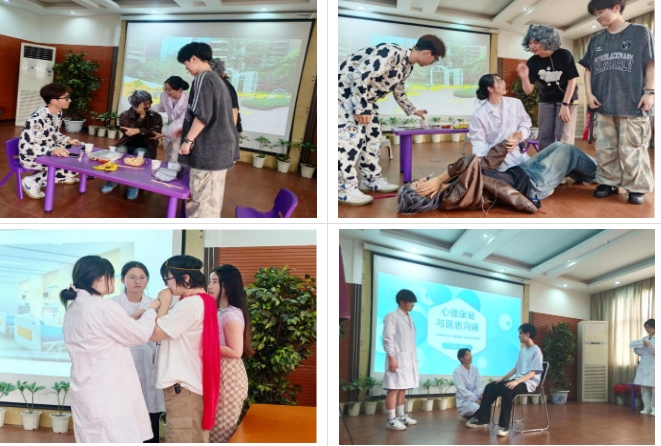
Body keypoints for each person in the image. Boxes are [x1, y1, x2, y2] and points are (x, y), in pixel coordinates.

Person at [396, 74, 597, 214]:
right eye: (419, 185)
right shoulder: (452, 197)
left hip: (521, 168)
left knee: (560, 147)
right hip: (527, 181)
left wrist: (519, 136)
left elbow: (525, 125)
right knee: (568, 150)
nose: (422, 179)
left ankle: (588, 175)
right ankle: (601, 175)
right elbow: (476, 158)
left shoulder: (453, 188)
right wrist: (440, 179)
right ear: (426, 195)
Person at [61, 255, 161, 442]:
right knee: (115, 436)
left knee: (93, 437)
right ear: (98, 278)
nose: (113, 281)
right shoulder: (102, 306)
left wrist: (133, 318)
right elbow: (139, 336)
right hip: (107, 389)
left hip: (86, 387)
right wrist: (151, 312)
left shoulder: (74, 308)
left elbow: (102, 335)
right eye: (110, 276)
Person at [338, 35, 446, 206]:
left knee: (373, 139)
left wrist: (412, 110)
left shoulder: (407, 67)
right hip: (344, 97)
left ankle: (371, 179)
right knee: (350, 142)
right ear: (427, 53)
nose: (433, 63)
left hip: (365, 101)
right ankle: (343, 189)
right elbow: (360, 76)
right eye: (435, 58)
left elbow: (398, 91)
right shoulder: (390, 52)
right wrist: (361, 108)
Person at [579, 0, 654, 205]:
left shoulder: (640, 32)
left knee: (632, 149)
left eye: (600, 12)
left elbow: (651, 64)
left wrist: (650, 92)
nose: (597, 17)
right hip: (603, 104)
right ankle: (608, 182)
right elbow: (588, 69)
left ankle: (636, 187)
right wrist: (588, 93)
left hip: (633, 104)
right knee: (605, 148)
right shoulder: (596, 40)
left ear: (616, 7)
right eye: (594, 14)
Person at [151, 255, 220, 443]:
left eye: (168, 279)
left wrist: (164, 303)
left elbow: (155, 333)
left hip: (184, 387)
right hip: (191, 385)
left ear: (186, 278)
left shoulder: (189, 304)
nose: (167, 285)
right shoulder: (202, 301)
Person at [177, 42, 239, 218]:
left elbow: (202, 116)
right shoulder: (218, 80)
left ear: (193, 59)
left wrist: (188, 141)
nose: (186, 69)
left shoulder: (203, 78)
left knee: (201, 204)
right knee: (211, 200)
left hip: (209, 152)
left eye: (185, 64)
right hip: (218, 152)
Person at [110, 261, 165, 443]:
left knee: (150, 414)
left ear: (147, 280)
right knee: (125, 416)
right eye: (132, 277)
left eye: (142, 277)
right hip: (122, 366)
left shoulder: (155, 304)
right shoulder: (112, 305)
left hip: (150, 364)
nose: (137, 281)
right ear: (122, 280)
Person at [466, 323, 543, 437]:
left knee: (508, 389)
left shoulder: (536, 351)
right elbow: (515, 369)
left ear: (527, 334)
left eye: (520, 333)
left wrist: (517, 381)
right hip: (517, 380)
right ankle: (483, 420)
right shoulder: (522, 351)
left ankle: (504, 426)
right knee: (490, 387)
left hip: (527, 383)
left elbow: (532, 373)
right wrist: (502, 379)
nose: (518, 336)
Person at [207, 265, 254, 442]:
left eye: (215, 281)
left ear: (227, 285)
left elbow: (235, 351)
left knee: (221, 432)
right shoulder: (218, 311)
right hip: (217, 373)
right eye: (209, 281)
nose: (209, 286)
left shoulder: (231, 314)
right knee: (212, 430)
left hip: (228, 377)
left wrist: (202, 344)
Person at [517, 24, 580, 151]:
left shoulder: (564, 54)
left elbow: (572, 80)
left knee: (564, 136)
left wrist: (565, 105)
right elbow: (528, 90)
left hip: (567, 99)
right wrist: (524, 77)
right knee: (544, 136)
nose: (532, 46)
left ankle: (565, 162)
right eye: (530, 43)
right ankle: (545, 161)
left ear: (547, 41)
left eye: (536, 42)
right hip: (546, 100)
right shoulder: (532, 61)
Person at [18, 83, 81, 199]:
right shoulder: (36, 120)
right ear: (53, 101)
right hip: (33, 157)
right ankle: (32, 181)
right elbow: (27, 148)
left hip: (49, 150)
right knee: (72, 165)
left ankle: (61, 175)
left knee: (80, 154)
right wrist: (52, 151)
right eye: (66, 98)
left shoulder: (57, 113)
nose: (70, 100)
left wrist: (68, 140)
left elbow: (55, 134)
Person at [102, 90, 163, 200]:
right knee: (119, 152)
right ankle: (112, 181)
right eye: (144, 104)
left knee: (139, 153)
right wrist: (142, 120)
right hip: (126, 144)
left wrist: (139, 128)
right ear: (135, 104)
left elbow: (155, 133)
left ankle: (133, 186)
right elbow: (128, 132)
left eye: (149, 103)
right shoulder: (125, 115)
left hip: (146, 147)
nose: (148, 106)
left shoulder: (156, 116)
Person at [382, 289, 419, 431]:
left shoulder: (409, 318)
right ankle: (391, 420)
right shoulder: (392, 316)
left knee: (402, 388)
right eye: (411, 302)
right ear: (402, 302)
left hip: (408, 360)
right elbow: (388, 338)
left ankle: (401, 416)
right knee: (393, 389)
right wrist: (391, 358)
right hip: (397, 359)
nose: (413, 305)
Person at [151, 76, 190, 163]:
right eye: (165, 89)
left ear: (179, 89)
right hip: (170, 127)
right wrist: (149, 109)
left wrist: (163, 134)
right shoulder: (164, 95)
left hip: (180, 130)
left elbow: (180, 122)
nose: (167, 92)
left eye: (169, 89)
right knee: (168, 153)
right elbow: (162, 106)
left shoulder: (188, 101)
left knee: (174, 156)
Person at [453, 348, 484, 420]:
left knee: (484, 406)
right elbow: (461, 389)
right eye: (467, 355)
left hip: (476, 396)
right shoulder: (457, 371)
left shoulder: (475, 369)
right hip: (464, 399)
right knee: (476, 407)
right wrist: (475, 399)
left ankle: (477, 418)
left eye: (470, 355)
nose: (470, 357)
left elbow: (478, 384)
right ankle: (466, 416)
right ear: (461, 358)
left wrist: (481, 395)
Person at [633, 318, 655, 416]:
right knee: (644, 387)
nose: (648, 329)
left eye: (649, 327)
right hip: (644, 364)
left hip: (654, 365)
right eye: (646, 327)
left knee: (655, 388)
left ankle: (655, 408)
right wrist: (636, 349)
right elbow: (640, 353)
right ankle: (646, 408)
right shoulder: (644, 338)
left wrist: (649, 345)